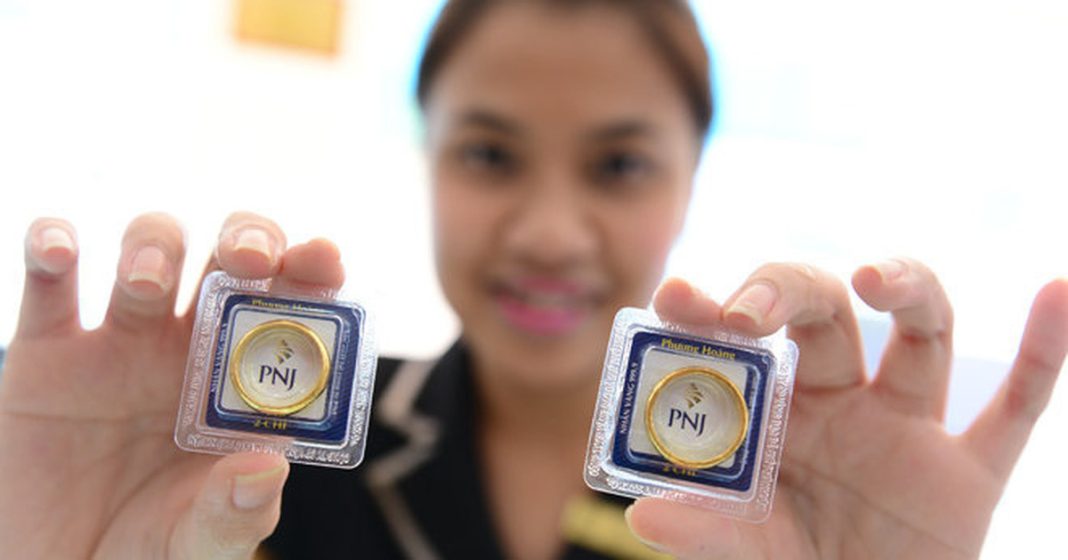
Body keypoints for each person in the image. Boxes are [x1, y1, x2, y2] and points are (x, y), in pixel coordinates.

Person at [1, 0, 1066, 558]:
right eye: (490, 153)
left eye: (619, 165)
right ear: (425, 157)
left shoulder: (781, 519)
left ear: (693, 183)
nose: (551, 232)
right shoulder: (247, 463)